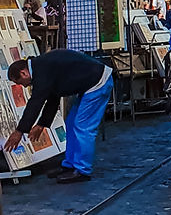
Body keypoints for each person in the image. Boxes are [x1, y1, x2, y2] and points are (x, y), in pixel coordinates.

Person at [4, 51, 112, 182]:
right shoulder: (41, 68)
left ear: (24, 73)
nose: (24, 86)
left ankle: (82, 170)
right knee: (71, 123)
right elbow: (53, 97)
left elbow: (36, 102)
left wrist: (20, 131)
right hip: (90, 83)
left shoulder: (41, 72)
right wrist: (42, 124)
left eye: (21, 82)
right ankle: (70, 165)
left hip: (98, 83)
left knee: (83, 127)